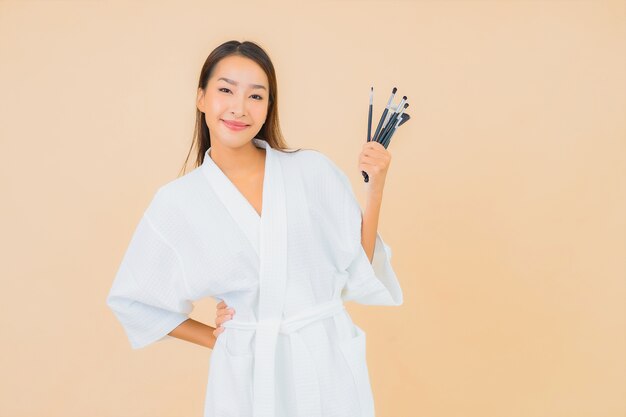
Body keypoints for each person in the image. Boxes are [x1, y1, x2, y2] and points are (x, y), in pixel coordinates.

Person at [106, 40, 403, 417]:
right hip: (246, 376)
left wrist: (375, 186)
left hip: (326, 362)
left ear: (268, 107)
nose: (239, 108)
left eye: (256, 96)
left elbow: (360, 263)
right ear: (201, 98)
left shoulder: (311, 171)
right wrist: (220, 337)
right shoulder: (178, 201)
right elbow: (136, 300)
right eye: (226, 90)